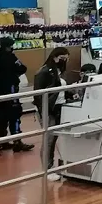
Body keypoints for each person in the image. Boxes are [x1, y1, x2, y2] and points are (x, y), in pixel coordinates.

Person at [33, 47, 70, 179]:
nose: (64, 61)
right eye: (62, 58)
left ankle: (50, 165)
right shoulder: (44, 72)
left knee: (53, 138)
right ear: (54, 57)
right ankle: (46, 169)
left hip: (57, 108)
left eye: (66, 59)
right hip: (47, 110)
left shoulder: (58, 71)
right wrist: (43, 111)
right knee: (48, 140)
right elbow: (38, 95)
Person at [0, 37, 34, 152]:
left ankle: (2, 141)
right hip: (11, 88)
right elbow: (23, 68)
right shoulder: (11, 57)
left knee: (2, 115)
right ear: (9, 46)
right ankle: (17, 141)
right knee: (15, 114)